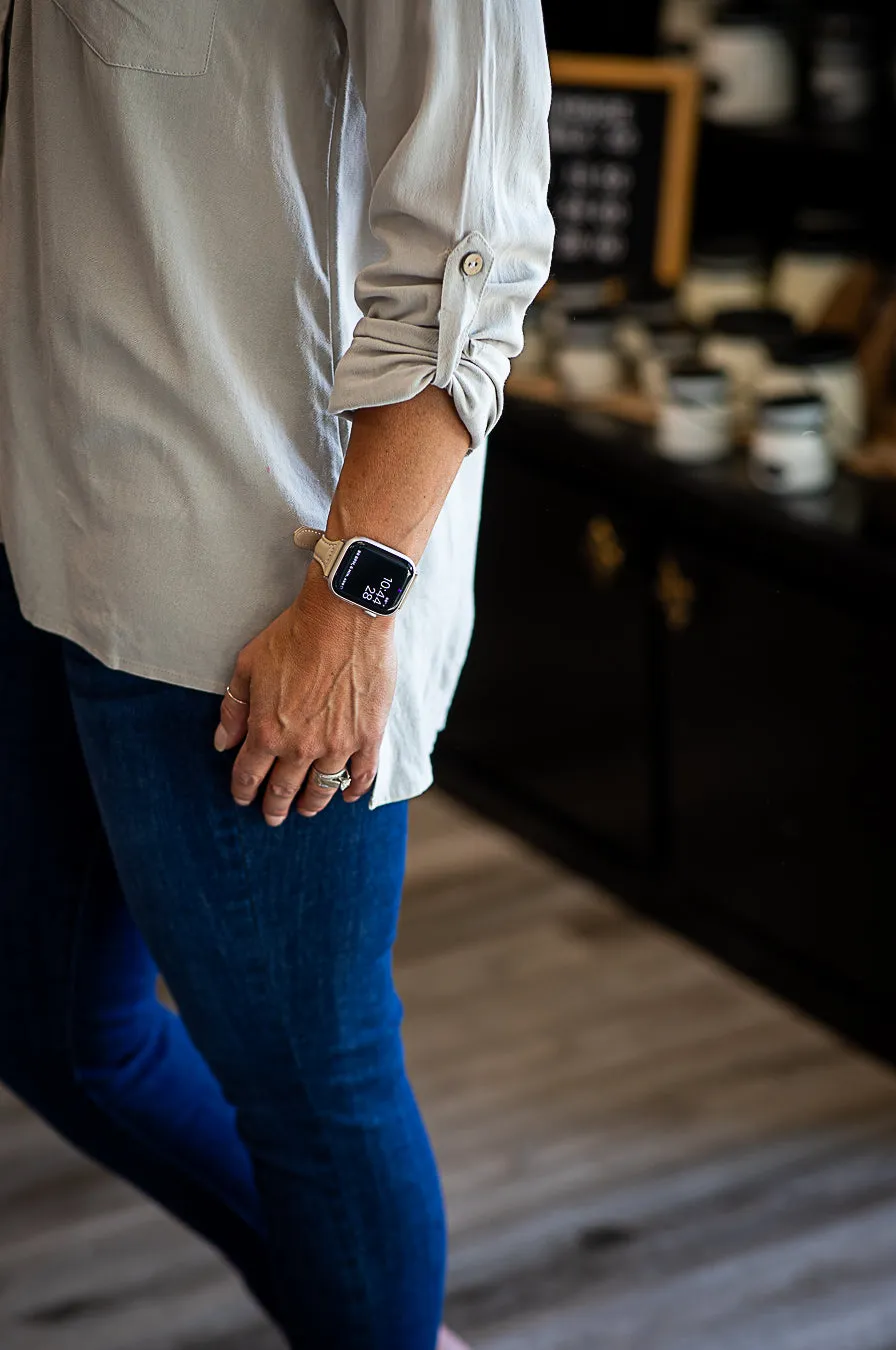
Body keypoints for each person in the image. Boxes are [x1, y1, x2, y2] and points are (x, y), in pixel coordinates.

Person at [0, 1, 554, 1346]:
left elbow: (471, 243)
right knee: (53, 1024)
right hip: (46, 520)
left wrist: (352, 608)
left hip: (248, 592)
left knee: (314, 1089)